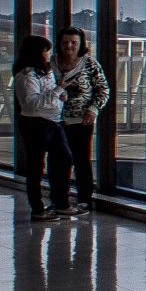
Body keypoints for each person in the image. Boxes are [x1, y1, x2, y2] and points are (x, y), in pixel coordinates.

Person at [11, 36, 74, 220]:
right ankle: (38, 208)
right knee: (37, 166)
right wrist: (58, 90)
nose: (49, 54)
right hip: (36, 123)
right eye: (46, 50)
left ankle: (61, 202)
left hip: (53, 121)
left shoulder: (44, 72)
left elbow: (49, 93)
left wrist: (60, 94)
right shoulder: (26, 75)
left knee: (64, 159)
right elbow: (31, 104)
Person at [54, 27, 111, 209]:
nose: (69, 46)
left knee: (81, 159)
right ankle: (59, 200)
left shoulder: (89, 63)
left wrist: (94, 109)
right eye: (65, 42)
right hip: (55, 120)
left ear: (81, 44)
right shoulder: (51, 63)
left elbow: (103, 89)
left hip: (81, 120)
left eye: (74, 42)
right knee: (58, 160)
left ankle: (84, 199)